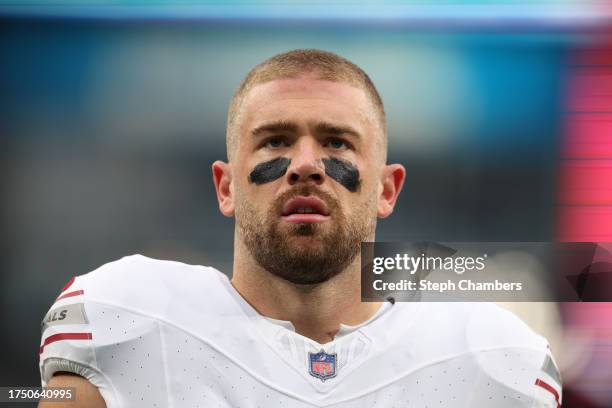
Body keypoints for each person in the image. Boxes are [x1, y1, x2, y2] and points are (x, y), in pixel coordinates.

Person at [39, 49, 562, 407]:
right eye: (274, 141)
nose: (305, 165)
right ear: (225, 187)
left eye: (337, 142)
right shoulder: (120, 320)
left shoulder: (493, 361)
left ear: (386, 189)